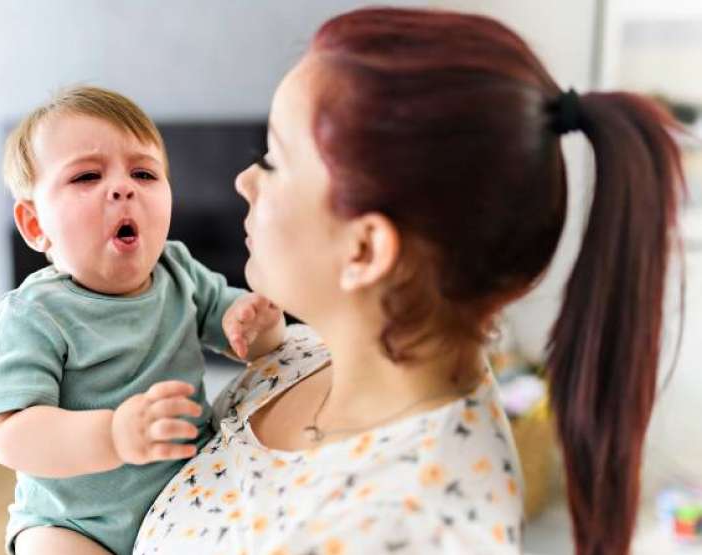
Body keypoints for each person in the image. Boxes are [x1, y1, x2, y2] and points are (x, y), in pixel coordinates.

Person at [134, 7, 685, 555]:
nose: (243, 179)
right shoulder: (310, 355)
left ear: (366, 249)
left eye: (273, 159)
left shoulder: (402, 529)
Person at [0, 86, 286, 555]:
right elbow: (10, 434)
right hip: (72, 523)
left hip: (186, 492)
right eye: (86, 177)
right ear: (36, 225)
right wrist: (112, 435)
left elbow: (252, 342)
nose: (123, 188)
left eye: (143, 173)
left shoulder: (178, 271)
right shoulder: (35, 313)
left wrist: (259, 325)